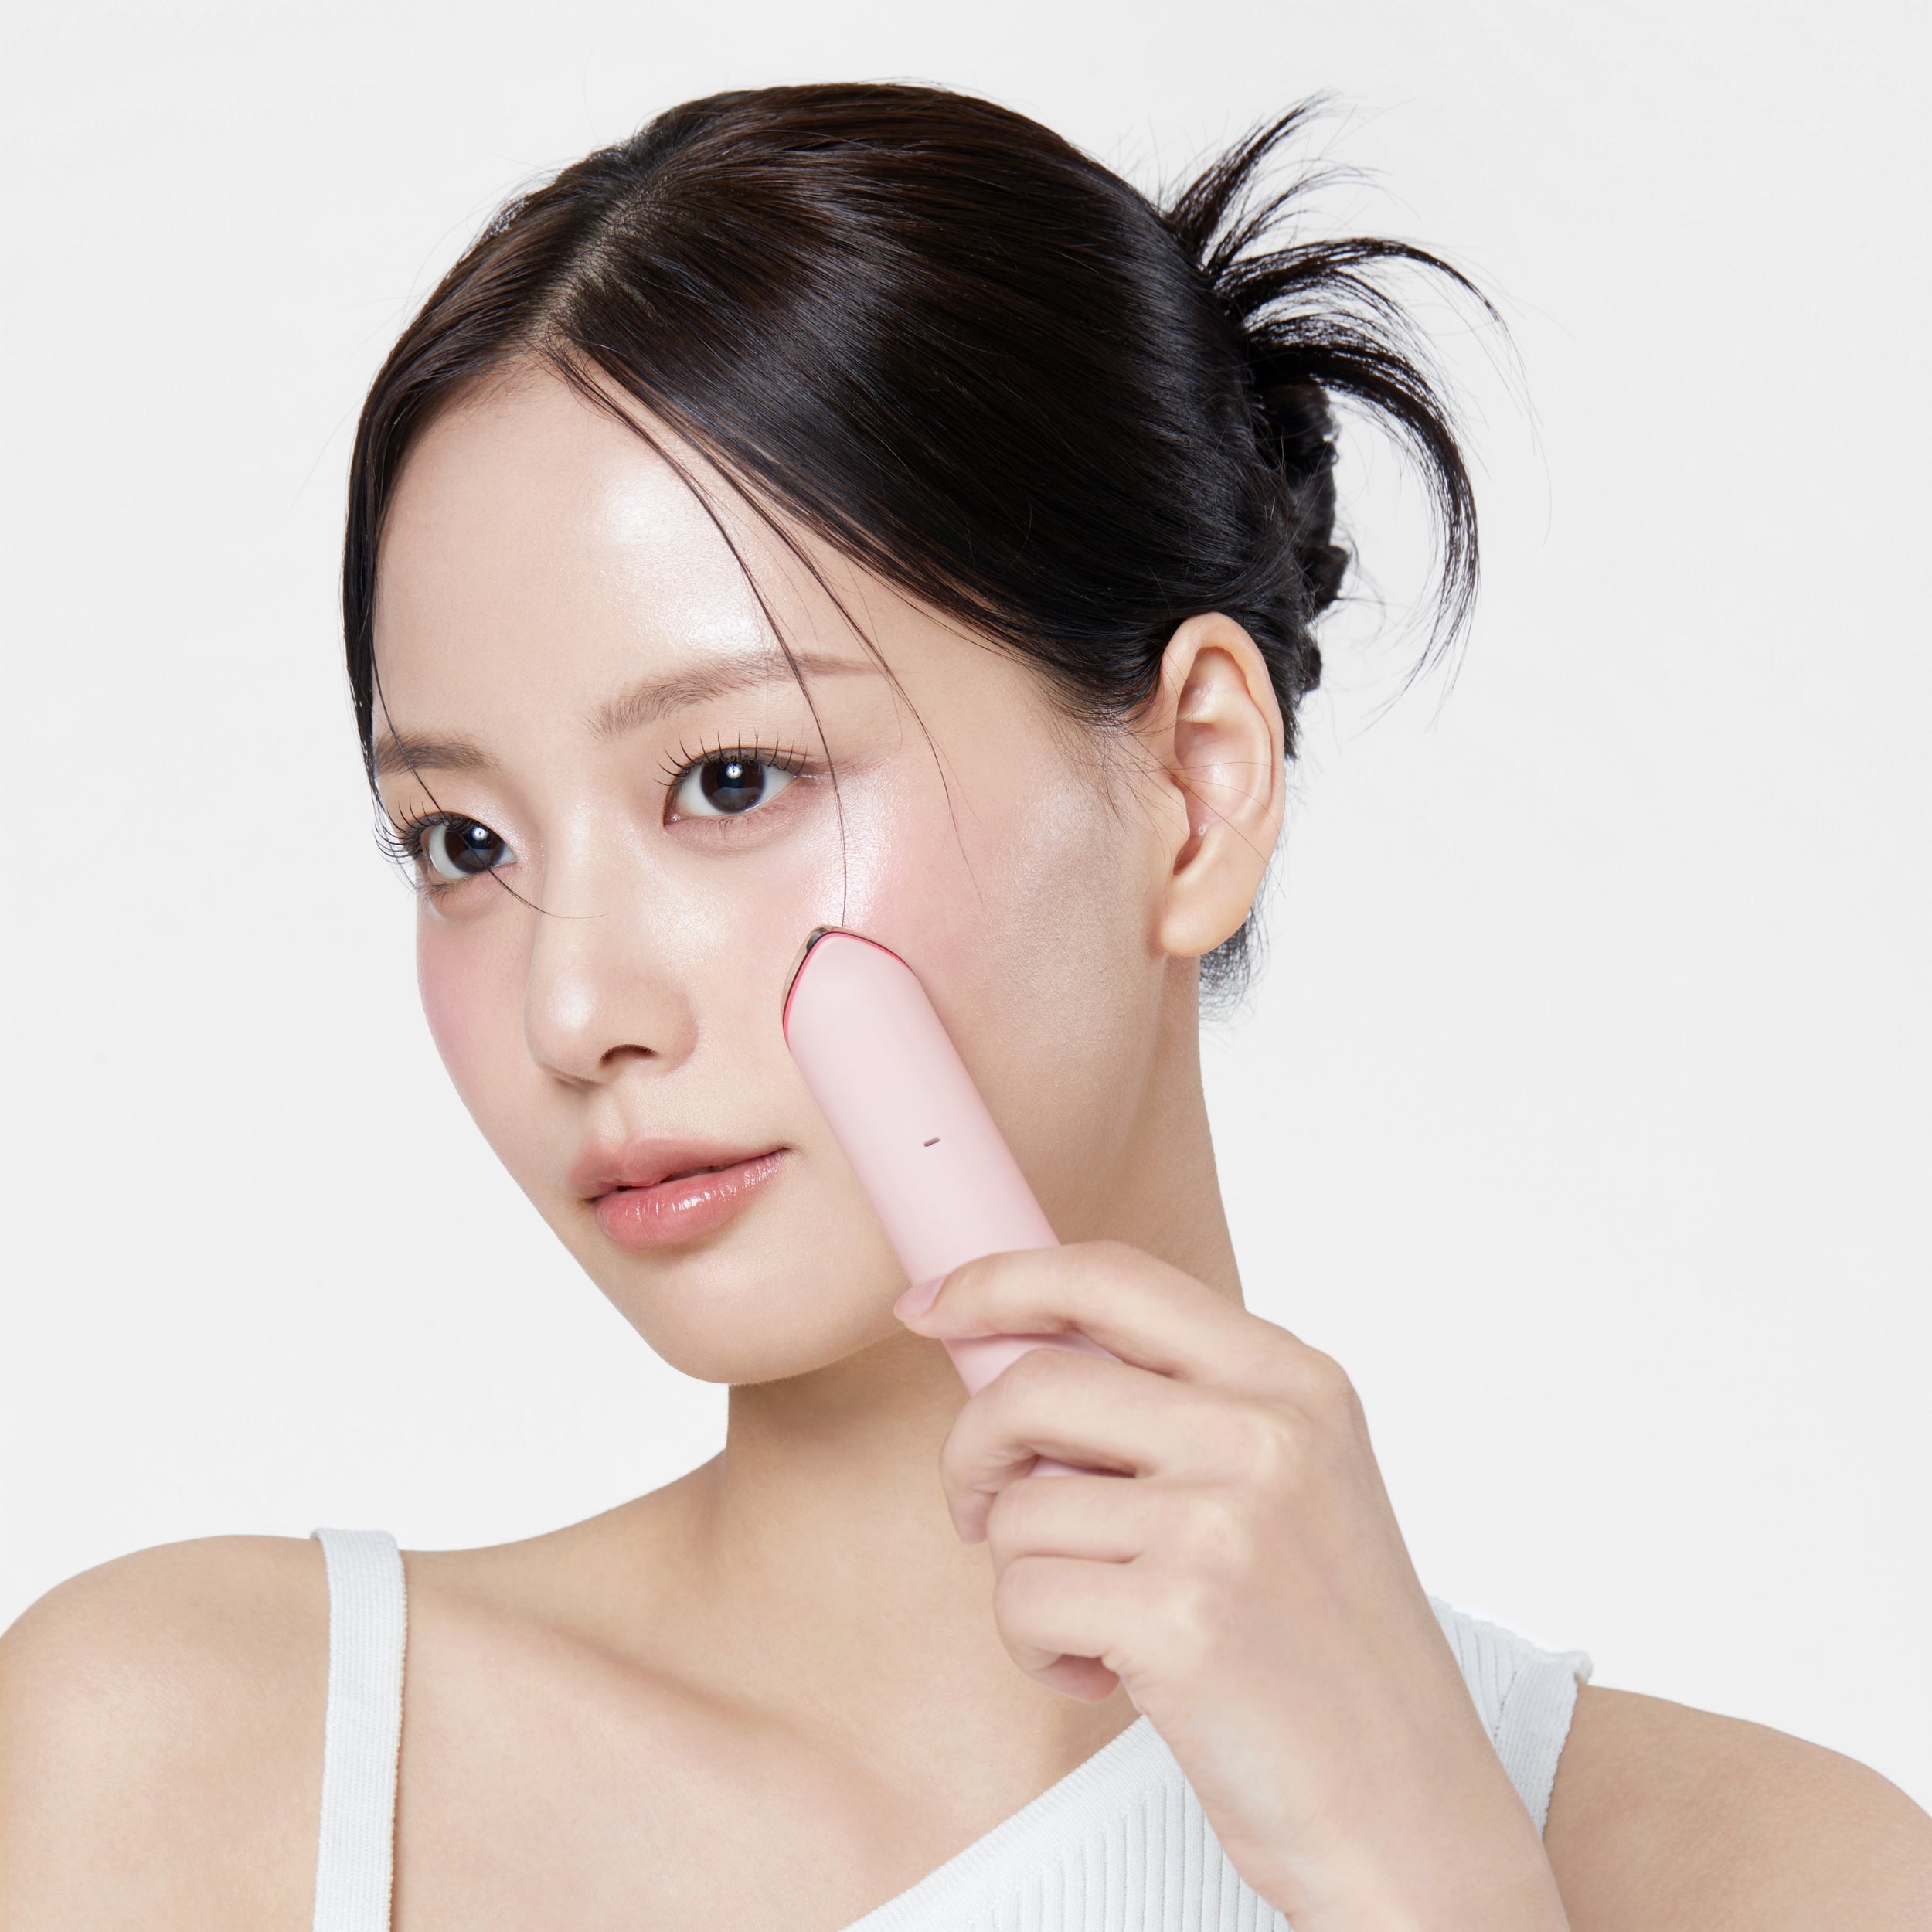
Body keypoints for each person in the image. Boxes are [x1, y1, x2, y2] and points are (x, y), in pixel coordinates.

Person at [2, 83, 1926, 1932]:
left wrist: (1423, 1880)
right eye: (463, 840)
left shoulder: (1775, 1878)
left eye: (731, 779)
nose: (573, 1003)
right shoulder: (204, 1762)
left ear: (1193, 784)